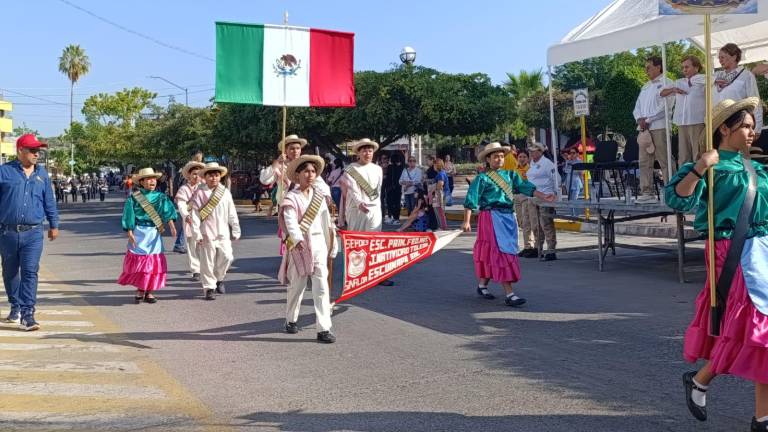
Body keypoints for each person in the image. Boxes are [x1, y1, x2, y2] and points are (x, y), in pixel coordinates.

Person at [665, 97, 768, 431]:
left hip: (763, 249)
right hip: (730, 249)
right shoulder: (712, 165)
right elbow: (677, 197)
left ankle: (756, 413)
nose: (753, 133)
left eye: (754, 126)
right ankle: (706, 382)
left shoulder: (755, 167)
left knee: (759, 333)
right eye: (746, 126)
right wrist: (701, 166)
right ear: (725, 128)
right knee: (756, 328)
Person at [462, 142, 555, 306]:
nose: (499, 159)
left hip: (507, 217)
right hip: (490, 217)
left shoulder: (511, 176)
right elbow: (471, 199)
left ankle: (482, 285)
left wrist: (543, 196)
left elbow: (525, 187)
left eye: (501, 156)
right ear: (488, 160)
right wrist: (467, 221)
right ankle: (509, 294)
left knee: (501, 250)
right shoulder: (482, 178)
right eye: (495, 157)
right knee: (500, 252)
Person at [0, 134, 59, 331]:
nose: (37, 154)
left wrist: (54, 224)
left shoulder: (42, 174)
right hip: (7, 233)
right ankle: (15, 306)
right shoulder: (4, 172)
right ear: (20, 151)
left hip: (33, 233)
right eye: (32, 150)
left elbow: (49, 201)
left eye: (38, 151)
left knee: (30, 271)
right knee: (9, 273)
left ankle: (28, 314)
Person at [277, 155, 337, 343]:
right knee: (297, 286)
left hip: (318, 245)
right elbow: (290, 221)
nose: (310, 175)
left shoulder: (319, 197)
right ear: (298, 174)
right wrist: (296, 238)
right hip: (298, 248)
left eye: (313, 171)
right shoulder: (291, 198)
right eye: (306, 171)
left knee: (321, 287)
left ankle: (324, 328)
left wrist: (332, 244)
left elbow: (327, 223)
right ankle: (290, 319)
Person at [117, 168, 178, 304]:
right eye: (149, 179)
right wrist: (130, 232)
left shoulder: (161, 197)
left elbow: (168, 212)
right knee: (141, 263)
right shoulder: (134, 198)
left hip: (154, 233)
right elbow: (129, 215)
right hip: (139, 232)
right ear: (142, 181)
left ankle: (149, 291)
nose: (152, 181)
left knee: (153, 263)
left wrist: (172, 225)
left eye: (154, 179)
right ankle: (140, 289)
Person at [341, 138, 394, 286]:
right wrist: (359, 203)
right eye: (364, 150)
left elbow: (377, 190)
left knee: (375, 242)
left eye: (370, 150)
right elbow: (352, 189)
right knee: (357, 242)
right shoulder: (351, 169)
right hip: (356, 211)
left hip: (374, 209)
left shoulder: (377, 169)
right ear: (358, 152)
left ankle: (377, 274)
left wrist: (376, 207)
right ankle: (355, 274)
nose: (367, 153)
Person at [190, 163, 241, 301]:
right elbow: (194, 215)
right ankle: (209, 288)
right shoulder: (199, 193)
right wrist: (197, 233)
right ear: (205, 177)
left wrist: (235, 228)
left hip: (223, 231)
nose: (214, 178)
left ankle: (219, 278)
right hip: (206, 232)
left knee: (227, 257)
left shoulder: (225, 192)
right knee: (207, 262)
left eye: (216, 175)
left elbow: (232, 212)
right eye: (210, 175)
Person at [633, 55, 675, 203]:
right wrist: (639, 119)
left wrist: (648, 120)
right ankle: (647, 193)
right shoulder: (645, 86)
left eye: (649, 67)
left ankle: (672, 192)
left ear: (658, 67)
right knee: (644, 161)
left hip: (659, 127)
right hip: (644, 130)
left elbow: (665, 106)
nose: (646, 70)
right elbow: (637, 107)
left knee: (665, 160)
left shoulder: (667, 83)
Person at [662, 55, 706, 167]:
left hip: (697, 122)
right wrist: (673, 89)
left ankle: (699, 181)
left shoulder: (703, 79)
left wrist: (695, 80)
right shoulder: (679, 81)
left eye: (687, 67)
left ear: (696, 67)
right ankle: (684, 181)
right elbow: (661, 93)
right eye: (683, 67)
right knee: (683, 156)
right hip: (681, 123)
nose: (684, 70)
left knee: (698, 154)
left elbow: (713, 81)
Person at [714, 44, 763, 136]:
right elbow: (699, 79)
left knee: (737, 150)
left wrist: (757, 128)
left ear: (734, 57)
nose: (720, 60)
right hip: (717, 124)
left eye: (723, 57)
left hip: (737, 123)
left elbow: (755, 101)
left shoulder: (746, 75)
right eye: (719, 57)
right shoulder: (716, 76)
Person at [525, 142, 559, 261]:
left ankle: (551, 250)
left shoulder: (547, 163)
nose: (531, 153)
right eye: (530, 151)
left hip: (545, 196)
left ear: (540, 151)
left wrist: (554, 194)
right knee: (535, 225)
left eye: (534, 151)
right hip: (532, 197)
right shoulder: (532, 163)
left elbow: (557, 179)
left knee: (546, 224)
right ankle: (538, 248)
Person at [175, 161, 205, 281]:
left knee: (205, 245)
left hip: (205, 219)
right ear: (188, 175)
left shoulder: (205, 187)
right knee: (192, 245)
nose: (196, 176)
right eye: (193, 174)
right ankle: (196, 270)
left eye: (198, 174)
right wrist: (186, 215)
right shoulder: (184, 189)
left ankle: (206, 267)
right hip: (191, 219)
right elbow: (181, 204)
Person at [513, 150, 537, 258]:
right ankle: (527, 246)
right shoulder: (515, 169)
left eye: (524, 157)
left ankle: (531, 247)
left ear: (528, 159)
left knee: (528, 222)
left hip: (526, 196)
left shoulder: (530, 169)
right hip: (516, 196)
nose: (521, 159)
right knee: (521, 222)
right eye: (520, 157)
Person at [385, 153, 405, 225]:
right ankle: (396, 218)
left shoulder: (390, 167)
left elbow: (388, 177)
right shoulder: (401, 168)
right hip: (398, 188)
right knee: (397, 203)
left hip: (390, 188)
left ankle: (392, 217)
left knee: (390, 203)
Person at [432, 158, 450, 230]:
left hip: (440, 194)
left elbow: (440, 184)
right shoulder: (442, 173)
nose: (433, 166)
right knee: (440, 211)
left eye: (434, 164)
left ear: (437, 165)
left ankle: (442, 227)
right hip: (442, 194)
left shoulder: (440, 174)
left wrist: (433, 188)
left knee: (440, 211)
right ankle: (441, 226)